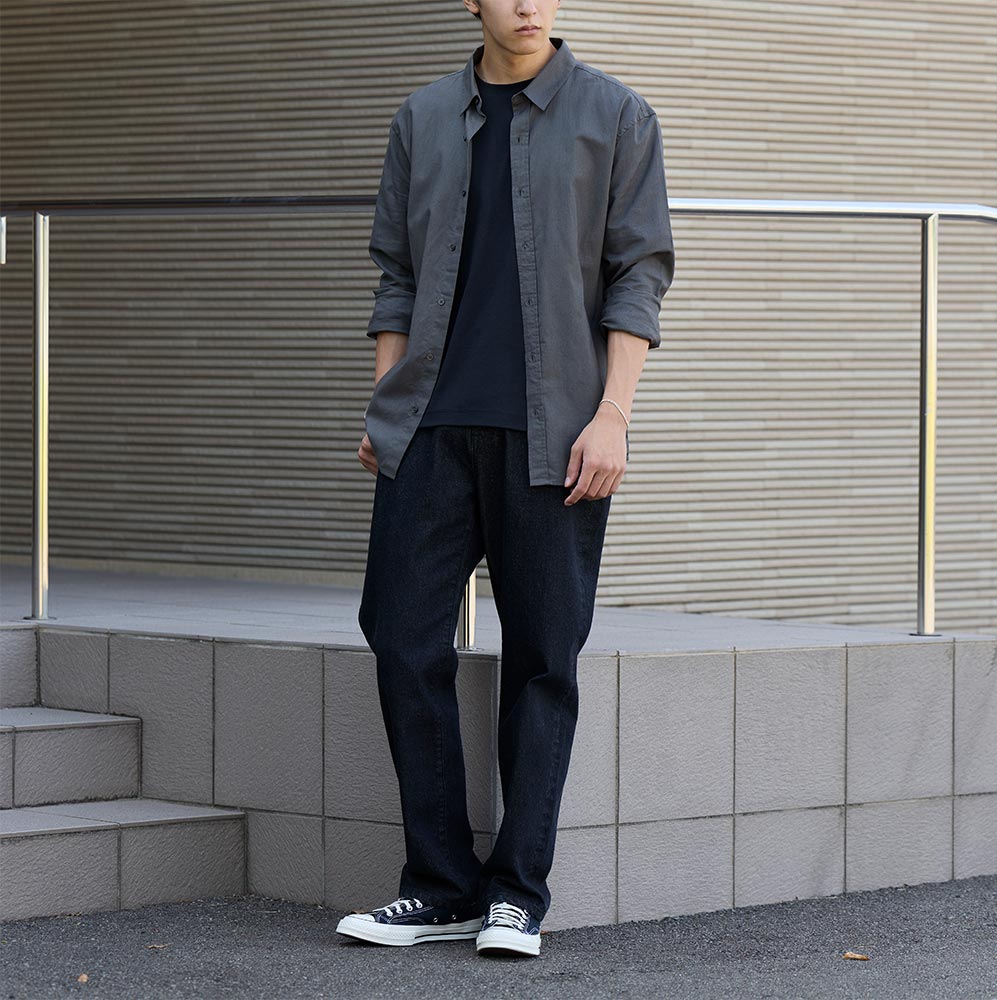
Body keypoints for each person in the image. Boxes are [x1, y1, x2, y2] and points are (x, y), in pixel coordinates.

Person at [337, 0, 674, 957]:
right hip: (430, 428)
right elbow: (397, 274)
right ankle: (440, 886)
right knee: (400, 636)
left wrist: (613, 417)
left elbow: (638, 275)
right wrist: (387, 404)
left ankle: (517, 893)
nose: (529, 3)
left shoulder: (617, 115)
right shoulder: (422, 117)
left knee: (542, 659)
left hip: (557, 436)